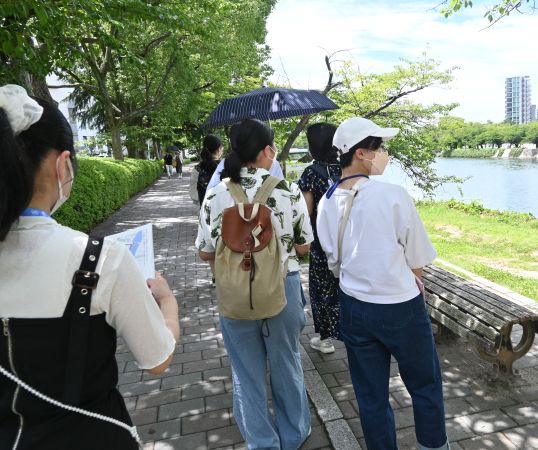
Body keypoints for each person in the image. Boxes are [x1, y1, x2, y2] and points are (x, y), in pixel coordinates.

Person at [0, 84, 179, 449]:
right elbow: (157, 359)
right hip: (95, 435)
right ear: (61, 164)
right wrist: (169, 304)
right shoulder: (100, 258)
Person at [316, 117, 449, 450]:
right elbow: (417, 256)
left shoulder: (327, 201)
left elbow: (333, 261)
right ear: (361, 153)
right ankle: (433, 446)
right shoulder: (393, 195)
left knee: (370, 395)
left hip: (354, 307)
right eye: (381, 147)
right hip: (400, 307)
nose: (385, 153)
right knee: (424, 385)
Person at [195, 118, 313, 450]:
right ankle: (294, 434)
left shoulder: (216, 194)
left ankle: (262, 442)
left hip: (234, 291)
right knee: (286, 362)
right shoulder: (286, 190)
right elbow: (304, 246)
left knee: (246, 373)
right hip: (283, 288)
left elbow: (204, 253)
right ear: (266, 151)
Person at [297, 123, 342, 354]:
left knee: (323, 287)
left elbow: (305, 212)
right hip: (348, 240)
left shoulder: (311, 173)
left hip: (321, 243)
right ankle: (353, 333)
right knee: (347, 286)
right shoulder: (347, 168)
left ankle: (325, 339)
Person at [189, 135, 222, 206]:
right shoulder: (226, 166)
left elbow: (193, 194)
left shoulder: (197, 169)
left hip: (204, 210)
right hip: (226, 211)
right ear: (218, 149)